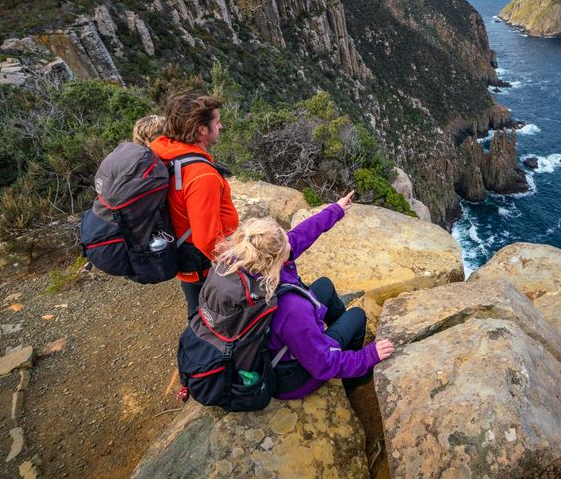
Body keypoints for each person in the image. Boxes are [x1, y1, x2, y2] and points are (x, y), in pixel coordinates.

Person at [214, 191, 394, 399]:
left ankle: (336, 334)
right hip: (290, 377)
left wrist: (335, 210)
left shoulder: (243, 263)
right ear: (279, 258)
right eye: (285, 241)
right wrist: (368, 356)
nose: (291, 240)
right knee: (356, 316)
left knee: (324, 286)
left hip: (271, 347)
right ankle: (355, 380)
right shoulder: (292, 309)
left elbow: (300, 236)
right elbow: (322, 365)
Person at [149, 93, 238, 318]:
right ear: (201, 129)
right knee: (218, 319)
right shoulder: (201, 176)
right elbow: (208, 240)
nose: (221, 126)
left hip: (184, 256)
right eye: (217, 122)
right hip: (205, 268)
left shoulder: (163, 150)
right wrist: (240, 266)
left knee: (199, 312)